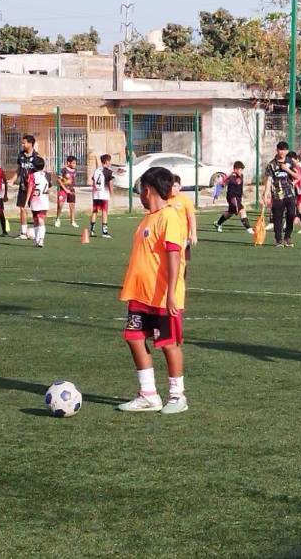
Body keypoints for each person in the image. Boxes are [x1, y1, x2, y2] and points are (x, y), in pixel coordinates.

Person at [116, 166, 190, 414]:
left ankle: (177, 396)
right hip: (139, 294)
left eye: (140, 191)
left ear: (147, 191)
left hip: (162, 296)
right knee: (134, 337)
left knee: (168, 343)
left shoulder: (169, 217)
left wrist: (171, 292)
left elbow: (174, 255)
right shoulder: (147, 219)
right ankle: (148, 394)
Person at [261, 141, 299, 247]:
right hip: (277, 195)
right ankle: (278, 240)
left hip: (289, 193)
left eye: (284, 150)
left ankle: (287, 237)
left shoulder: (290, 161)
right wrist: (266, 194)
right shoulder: (271, 164)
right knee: (277, 218)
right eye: (280, 150)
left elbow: (297, 176)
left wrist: (287, 170)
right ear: (277, 150)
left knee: (291, 215)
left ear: (287, 151)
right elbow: (269, 180)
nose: (282, 152)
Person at [12, 135, 40, 240]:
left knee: (35, 210)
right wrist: (12, 179)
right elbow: (19, 169)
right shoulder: (21, 155)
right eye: (22, 143)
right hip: (23, 187)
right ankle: (23, 233)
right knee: (22, 208)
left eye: (24, 143)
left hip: (33, 188)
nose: (22, 144)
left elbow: (40, 171)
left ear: (30, 143)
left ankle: (37, 232)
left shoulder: (36, 157)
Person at [214, 161, 253, 234]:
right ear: (235, 169)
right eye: (240, 170)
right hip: (232, 198)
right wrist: (216, 196)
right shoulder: (230, 177)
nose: (241, 171)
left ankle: (218, 223)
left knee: (230, 213)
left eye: (242, 170)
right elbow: (220, 185)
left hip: (238, 198)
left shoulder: (241, 176)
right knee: (242, 210)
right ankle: (249, 228)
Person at [169, 174, 199, 258]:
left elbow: (191, 217)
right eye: (170, 186)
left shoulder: (184, 199)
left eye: (175, 186)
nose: (172, 188)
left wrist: (193, 234)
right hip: (168, 236)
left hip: (183, 236)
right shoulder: (165, 199)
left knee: (181, 261)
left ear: (180, 187)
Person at [27, 156, 50, 247]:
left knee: (38, 220)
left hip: (36, 200)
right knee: (38, 219)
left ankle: (40, 240)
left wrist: (26, 200)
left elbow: (30, 188)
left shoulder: (32, 176)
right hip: (45, 200)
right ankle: (38, 240)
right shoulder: (47, 175)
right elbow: (49, 185)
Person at [90, 153, 115, 239]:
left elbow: (94, 182)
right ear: (106, 161)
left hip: (96, 195)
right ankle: (104, 232)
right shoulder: (108, 172)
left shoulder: (96, 171)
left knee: (95, 211)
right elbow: (110, 184)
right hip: (104, 195)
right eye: (109, 161)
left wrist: (95, 191)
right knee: (104, 212)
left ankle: (92, 231)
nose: (110, 163)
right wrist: (112, 194)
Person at [55, 155, 79, 228]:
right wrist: (65, 188)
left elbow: (72, 180)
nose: (75, 164)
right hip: (63, 189)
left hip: (71, 190)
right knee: (60, 205)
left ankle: (72, 221)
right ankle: (58, 219)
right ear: (69, 163)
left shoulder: (75, 170)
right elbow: (58, 180)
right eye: (73, 163)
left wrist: (71, 186)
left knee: (72, 205)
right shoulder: (64, 170)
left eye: (75, 163)